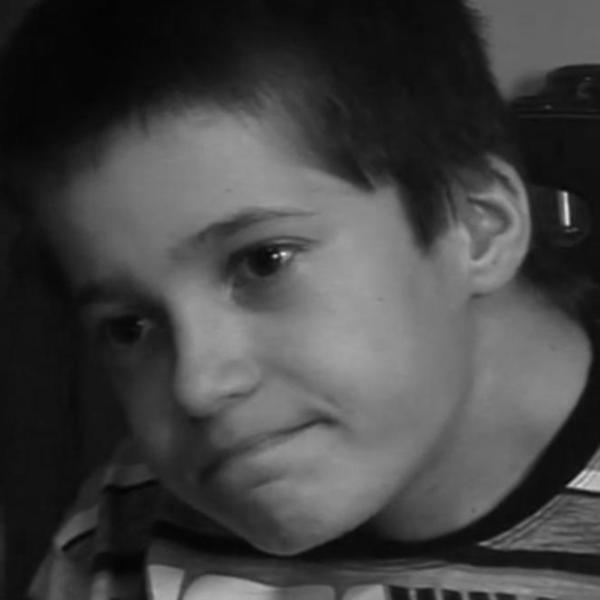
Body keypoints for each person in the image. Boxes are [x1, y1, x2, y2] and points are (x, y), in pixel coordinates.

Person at [1, 0, 600, 598]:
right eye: (129, 327)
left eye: (264, 262)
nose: (197, 387)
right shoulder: (123, 521)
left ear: (477, 224)